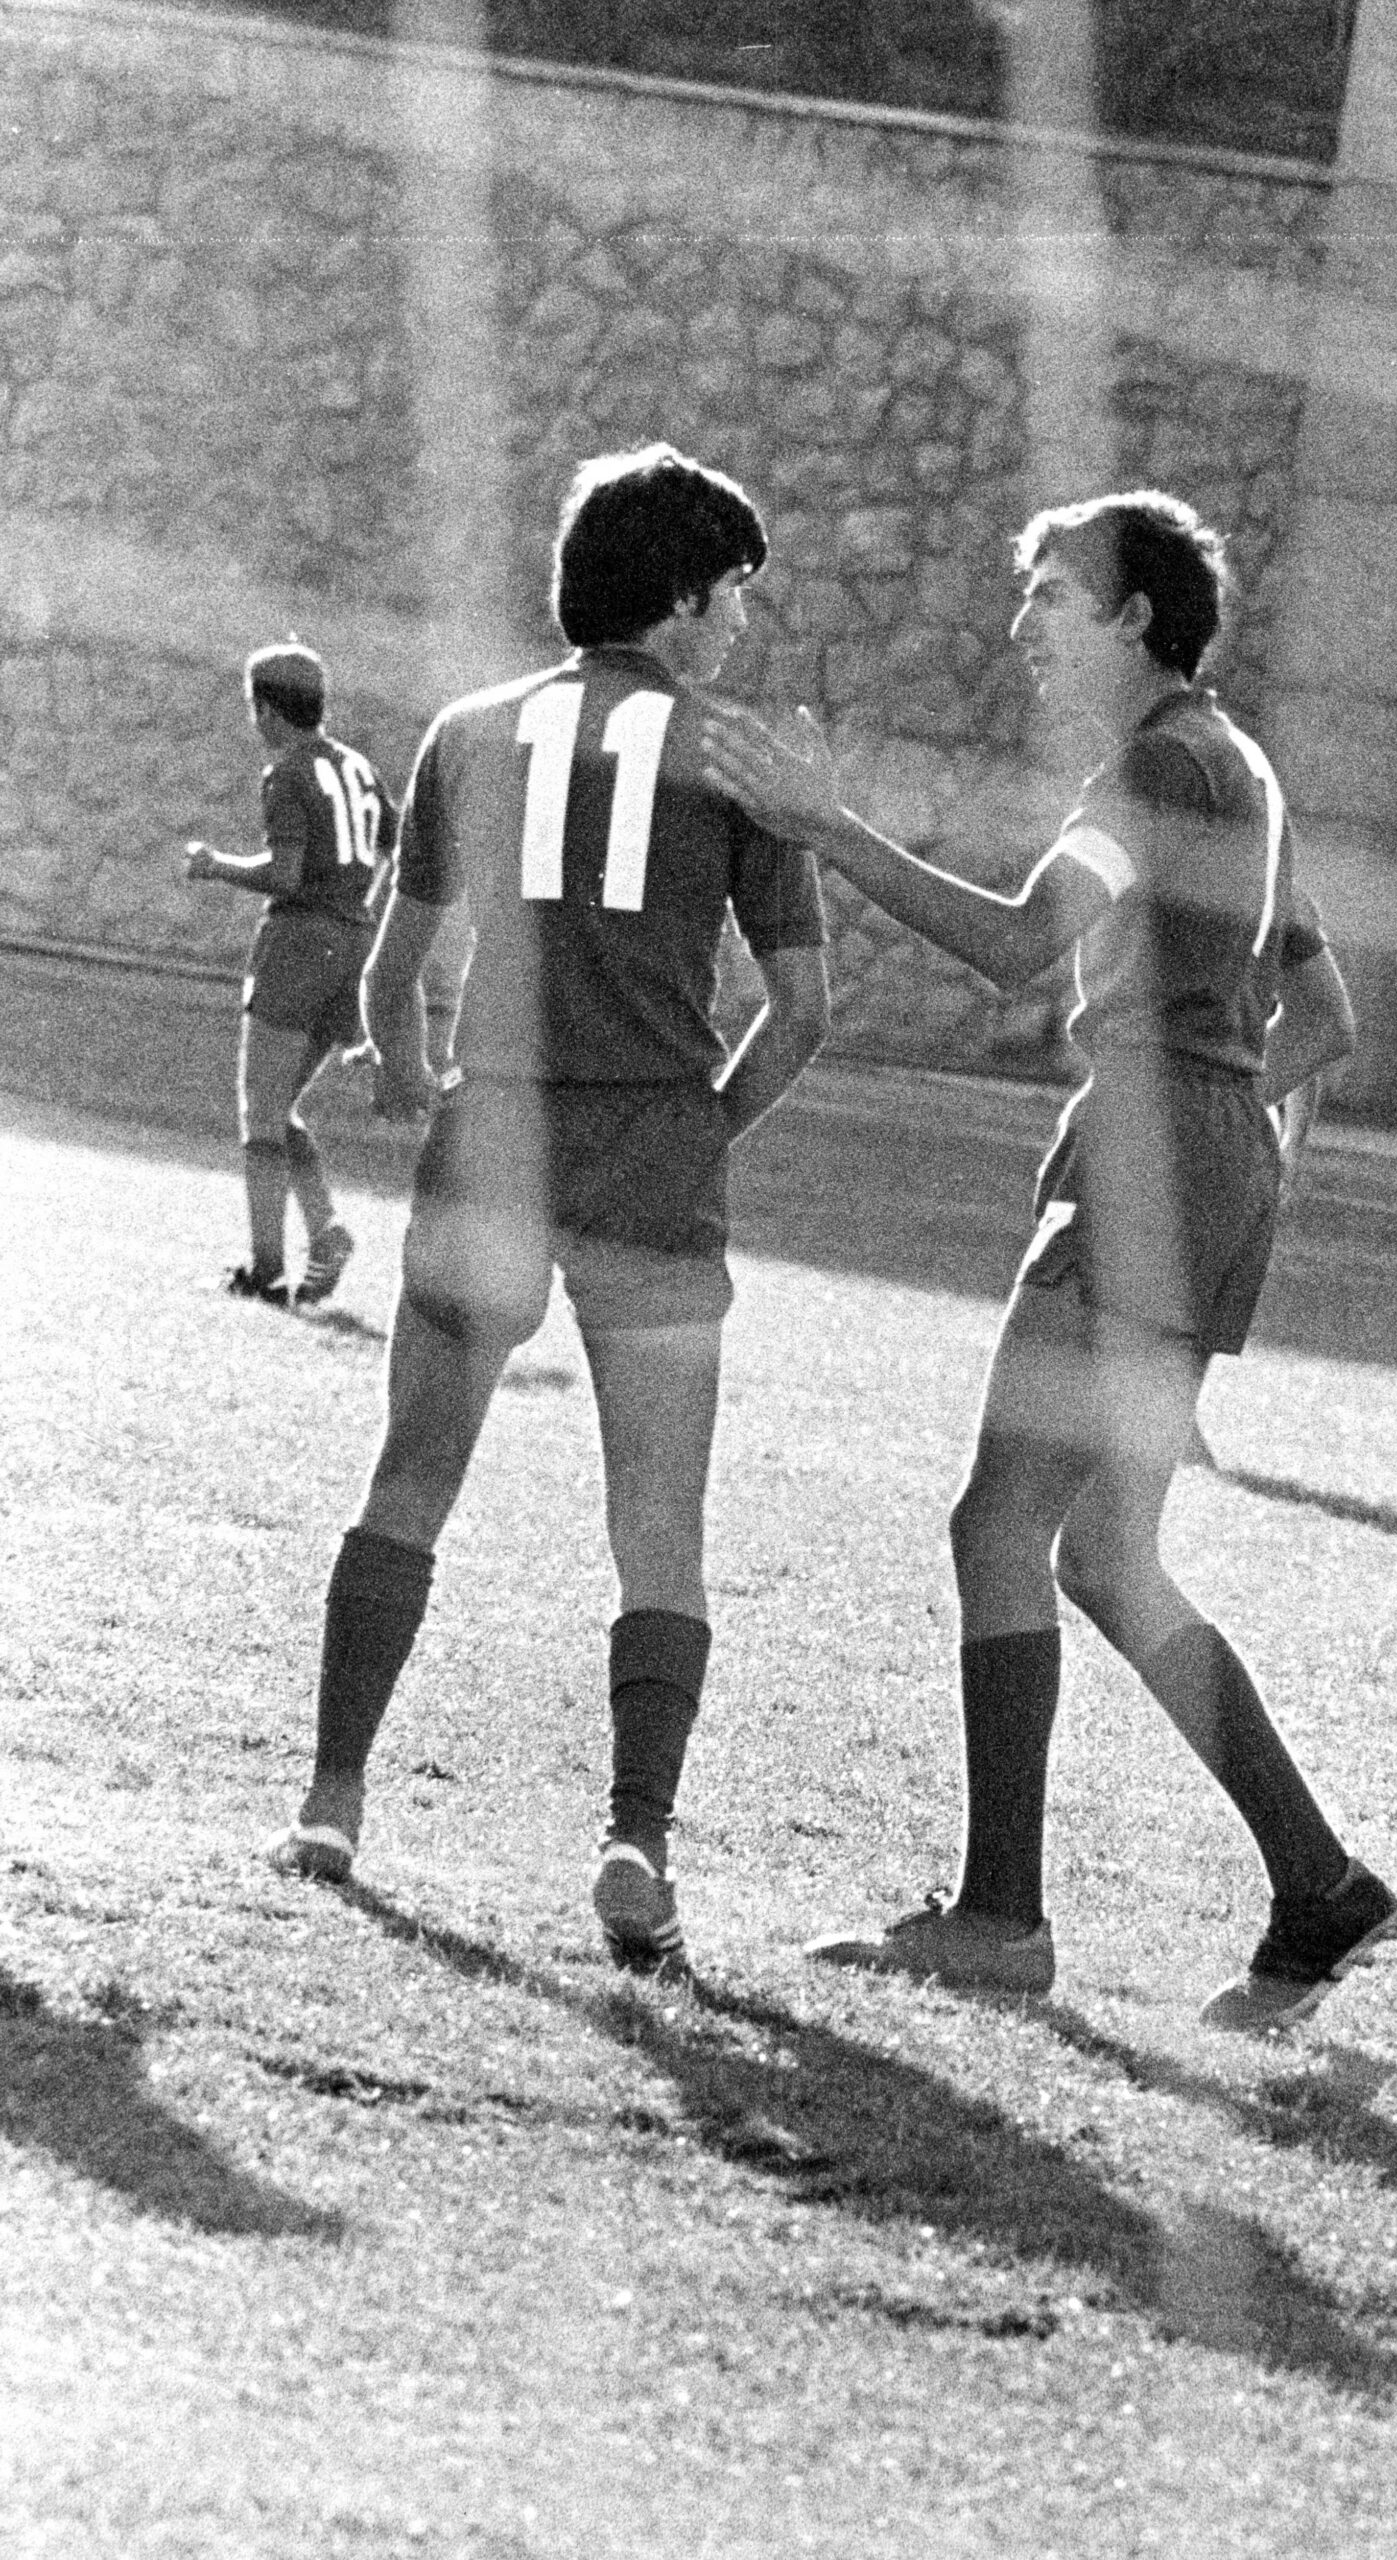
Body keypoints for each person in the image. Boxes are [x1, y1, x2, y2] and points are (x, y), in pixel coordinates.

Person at [702, 489, 1397, 2032]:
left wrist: (826, 826)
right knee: (1101, 1553)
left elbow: (1022, 942)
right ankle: (1319, 1889)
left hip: (1150, 1170)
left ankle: (1002, 1919)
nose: (1021, 626)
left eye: (1050, 599)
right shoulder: (1238, 768)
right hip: (1205, 1174)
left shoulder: (1157, 767)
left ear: (1135, 618)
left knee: (997, 1526)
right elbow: (1327, 1019)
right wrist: (1227, 1124)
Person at [260, 445, 830, 1976]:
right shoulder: (735, 752)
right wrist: (702, 1126)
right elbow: (802, 1012)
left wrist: (422, 1074)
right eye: (735, 599)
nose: (740, 631)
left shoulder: (470, 729)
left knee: (410, 1480)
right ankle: (634, 1841)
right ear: (687, 599)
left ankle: (330, 1803)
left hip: (493, 1139)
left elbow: (392, 975)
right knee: (658, 1533)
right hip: (652, 1158)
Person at [183, 642, 397, 1306]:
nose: (254, 721)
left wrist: (215, 863)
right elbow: (395, 843)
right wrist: (361, 902)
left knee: (259, 1115)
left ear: (269, 710)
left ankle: (265, 1269)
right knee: (281, 1109)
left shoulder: (287, 774)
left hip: (299, 944)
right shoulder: (357, 767)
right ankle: (325, 1231)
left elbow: (284, 875)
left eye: (254, 707)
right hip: (353, 945)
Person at [1183, 885, 1354, 1469]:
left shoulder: (1280, 901)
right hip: (1202, 1114)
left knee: (1216, 1287)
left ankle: (1177, 1418)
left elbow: (1315, 1034)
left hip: (1239, 1122)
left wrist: (1290, 1145)